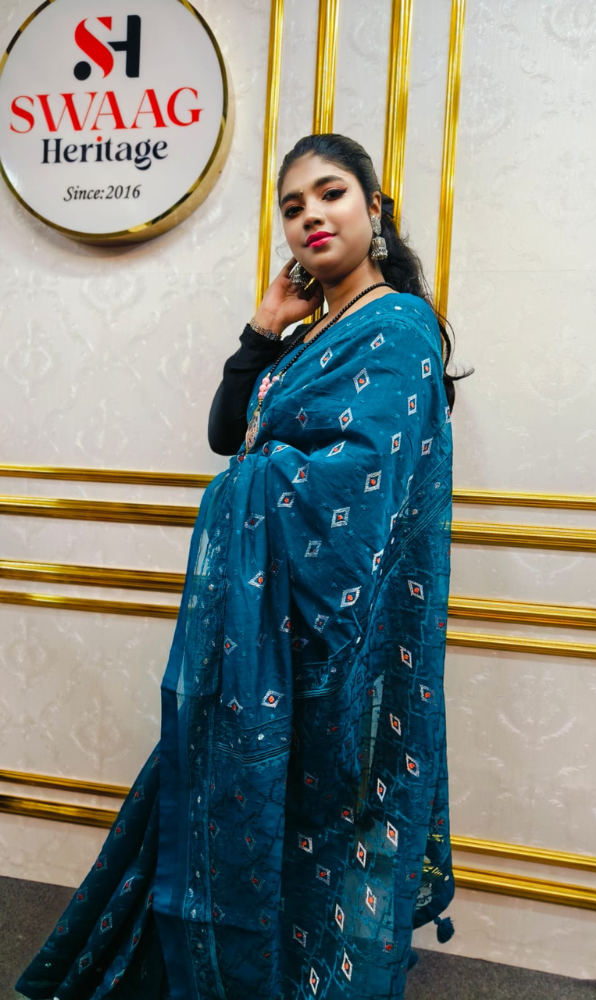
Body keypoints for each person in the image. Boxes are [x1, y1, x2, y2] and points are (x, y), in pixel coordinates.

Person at [16, 133, 472, 1000]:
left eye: (330, 194)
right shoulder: (308, 334)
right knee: (228, 804)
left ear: (373, 210)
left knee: (315, 819)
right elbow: (230, 434)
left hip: (331, 629)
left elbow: (356, 486)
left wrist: (253, 485)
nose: (310, 217)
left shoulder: (398, 329)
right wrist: (264, 327)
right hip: (265, 622)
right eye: (292, 207)